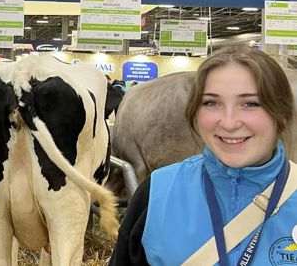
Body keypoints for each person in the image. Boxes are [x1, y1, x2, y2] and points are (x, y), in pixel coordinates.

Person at [110, 44, 297, 266]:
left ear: (281, 113)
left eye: (250, 104)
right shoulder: (156, 194)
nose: (229, 123)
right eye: (211, 103)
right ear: (195, 113)